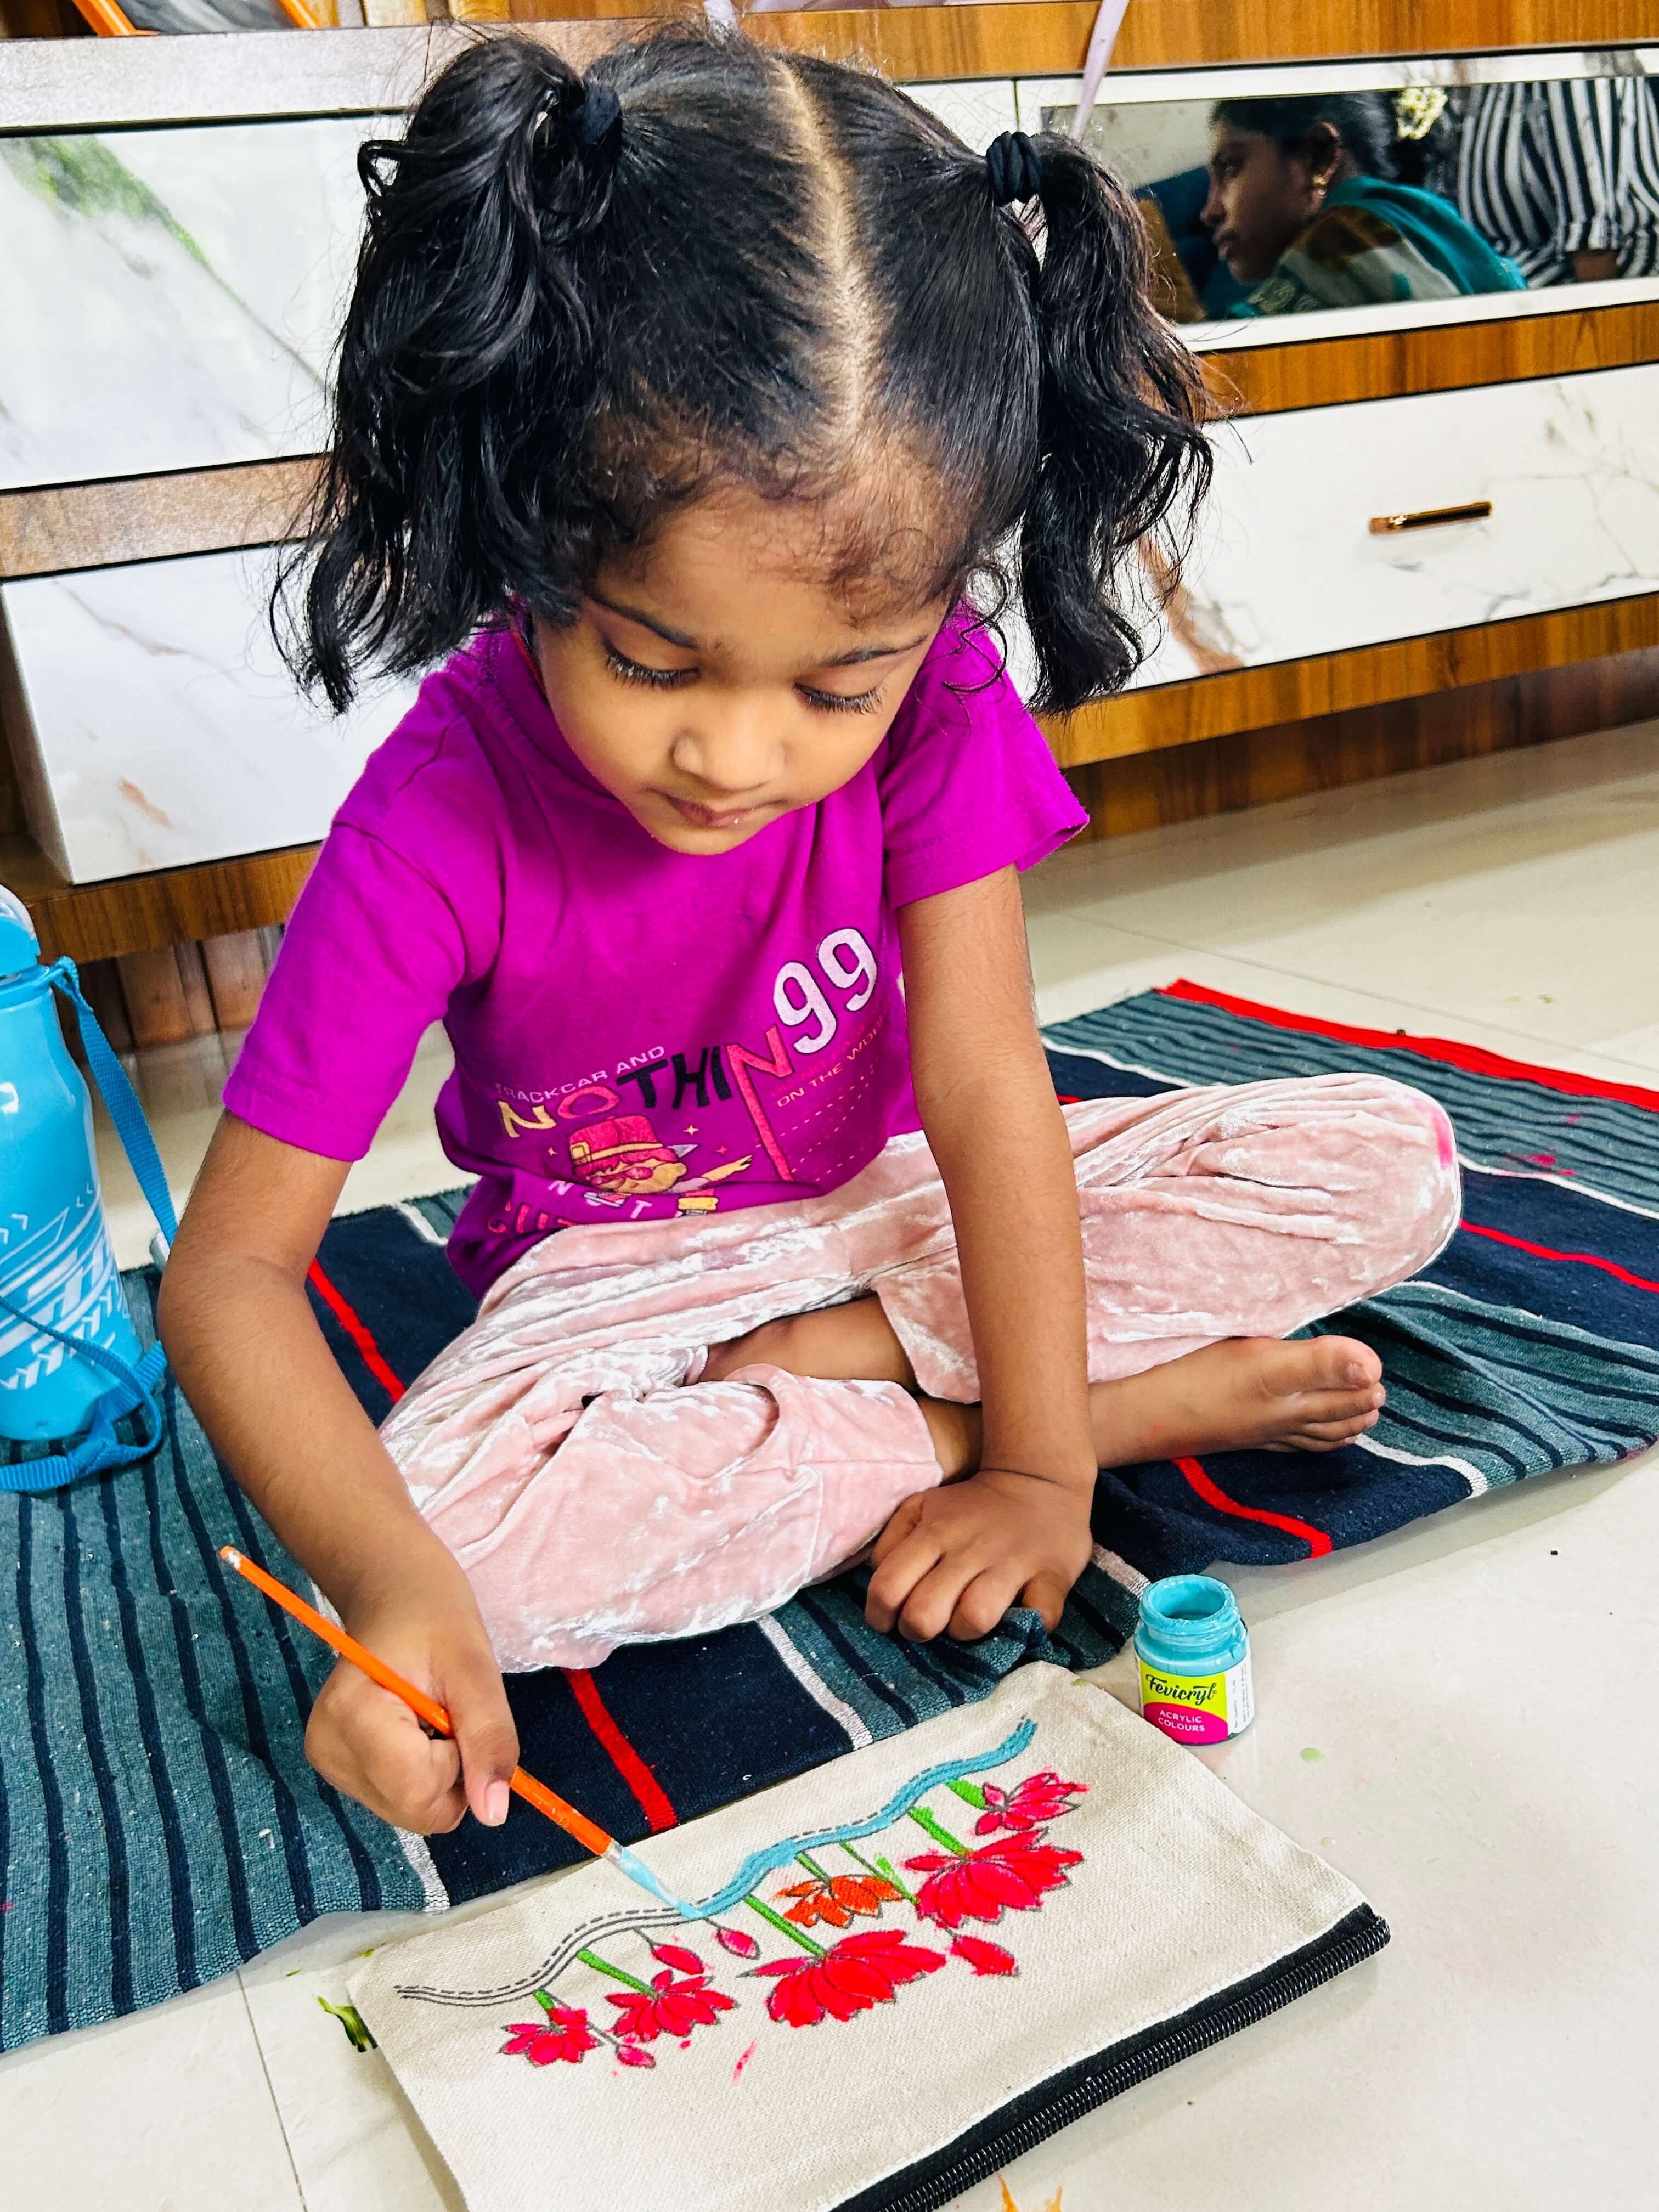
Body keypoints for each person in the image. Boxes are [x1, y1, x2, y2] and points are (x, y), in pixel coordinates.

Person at [157, 28, 1460, 1839]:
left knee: (1386, 1158)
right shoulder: (434, 817)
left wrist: (1038, 1475)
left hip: (890, 1204)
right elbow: (226, 1278)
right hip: (623, 1291)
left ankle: (906, 1378)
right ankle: (1093, 1401)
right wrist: (395, 1596)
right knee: (462, 1546)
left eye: (834, 684)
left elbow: (991, 1087)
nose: (737, 754)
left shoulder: (936, 701)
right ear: (534, 525)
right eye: (650, 658)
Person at [1203, 91, 1526, 315]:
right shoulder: (1421, 217)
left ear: (1319, 156)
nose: (1210, 212)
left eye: (1231, 168)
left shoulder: (1346, 237)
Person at [1457, 77, 1659, 287]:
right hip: (1505, 274)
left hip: (1611, 287)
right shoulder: (1497, 75)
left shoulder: (1568, 71)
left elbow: (1595, 248)